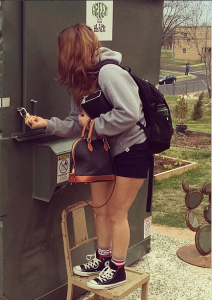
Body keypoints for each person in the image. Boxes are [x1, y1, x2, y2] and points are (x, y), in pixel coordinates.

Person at [25, 23, 150, 290]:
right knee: (100, 209)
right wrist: (46, 124)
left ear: (71, 51)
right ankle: (102, 258)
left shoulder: (109, 73)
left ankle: (117, 269)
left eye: (63, 50)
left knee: (117, 212)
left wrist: (93, 126)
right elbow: (75, 122)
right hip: (105, 151)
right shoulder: (81, 83)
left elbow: (129, 113)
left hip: (132, 150)